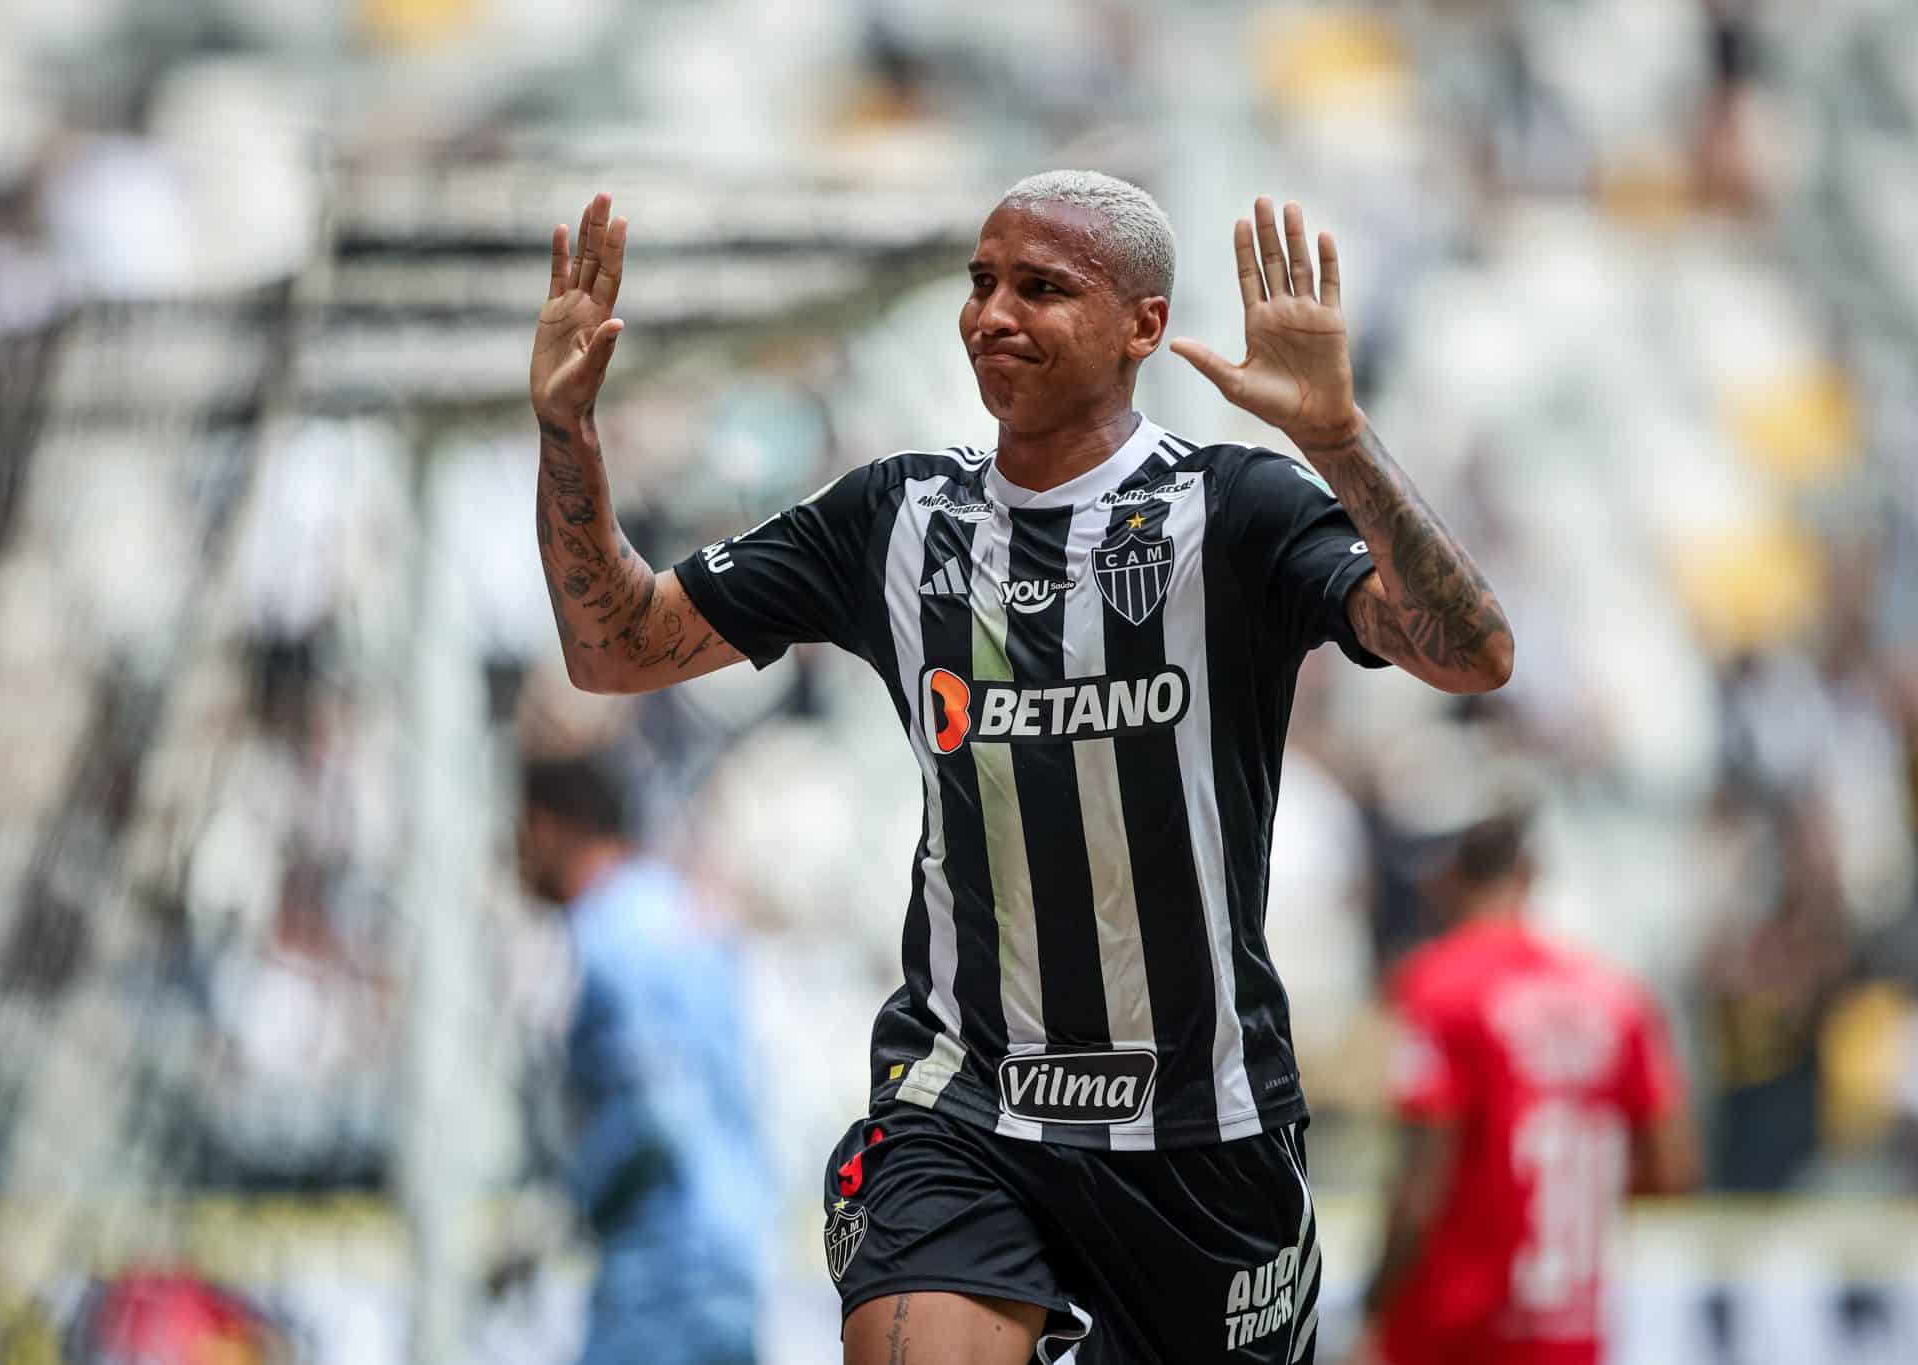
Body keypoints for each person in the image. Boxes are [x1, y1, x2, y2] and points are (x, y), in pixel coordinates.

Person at [529, 170, 1514, 1363]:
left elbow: (1470, 653)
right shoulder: (893, 519)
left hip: (1204, 1129)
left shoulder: (1235, 507)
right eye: (981, 282)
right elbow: (613, 646)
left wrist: (1339, 440)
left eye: (1041, 288)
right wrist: (568, 435)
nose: (992, 313)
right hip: (965, 1106)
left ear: (1142, 325)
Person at [1351, 807, 1700, 1365]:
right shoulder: (1616, 996)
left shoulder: (1439, 985)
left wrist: (1372, 1310)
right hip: (1571, 1330)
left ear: (1446, 882)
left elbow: (1420, 1184)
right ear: (1531, 876)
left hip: (1452, 1331)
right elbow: (1675, 1169)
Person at [514, 747, 768, 1365]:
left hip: (660, 1265)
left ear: (550, 827)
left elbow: (657, 1107)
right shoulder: (677, 909)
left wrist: (569, 1203)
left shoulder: (608, 933)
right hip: (734, 1251)